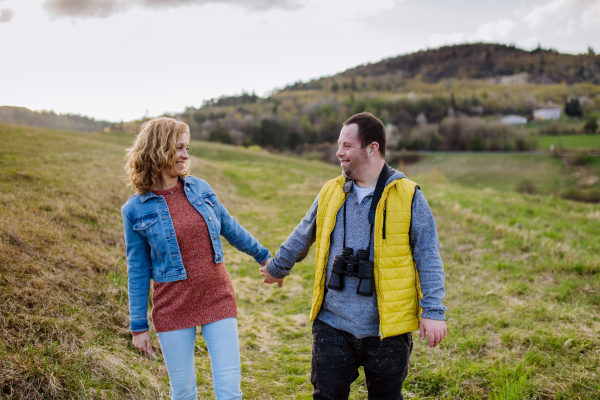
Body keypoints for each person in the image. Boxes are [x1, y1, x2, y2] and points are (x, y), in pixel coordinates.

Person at [260, 112, 447, 400]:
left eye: (347, 146)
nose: (339, 152)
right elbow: (302, 234)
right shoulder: (332, 191)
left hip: (388, 330)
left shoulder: (408, 196)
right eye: (339, 145)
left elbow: (428, 256)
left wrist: (433, 311)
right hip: (332, 323)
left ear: (372, 148)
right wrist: (277, 267)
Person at [121, 117, 270, 400]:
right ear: (159, 148)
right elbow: (137, 270)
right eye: (179, 148)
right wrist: (138, 325)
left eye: (187, 147)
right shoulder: (134, 210)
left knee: (229, 390)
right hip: (173, 305)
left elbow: (230, 227)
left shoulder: (200, 189)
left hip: (217, 295)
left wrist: (264, 257)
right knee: (184, 391)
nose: (186, 155)